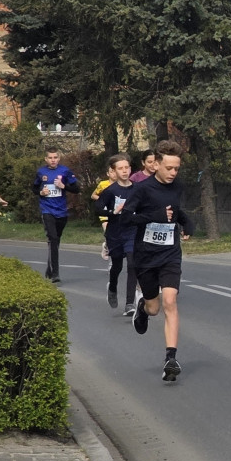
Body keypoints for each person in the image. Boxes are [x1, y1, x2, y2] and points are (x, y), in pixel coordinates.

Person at [122, 140, 194, 382]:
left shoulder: (177, 187)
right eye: (170, 168)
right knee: (154, 308)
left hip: (170, 253)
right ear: (157, 166)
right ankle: (142, 308)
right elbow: (126, 217)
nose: (174, 173)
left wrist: (187, 223)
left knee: (170, 301)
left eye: (177, 168)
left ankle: (170, 359)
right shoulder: (142, 190)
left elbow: (176, 210)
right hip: (146, 256)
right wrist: (154, 216)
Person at [94, 153, 139, 315]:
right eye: (120, 168)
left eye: (127, 167)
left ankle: (129, 303)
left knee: (133, 265)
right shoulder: (110, 191)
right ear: (113, 171)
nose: (125, 171)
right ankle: (112, 287)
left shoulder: (137, 188)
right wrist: (113, 212)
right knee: (117, 266)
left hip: (132, 231)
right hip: (115, 233)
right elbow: (98, 207)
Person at [33, 146, 80, 282]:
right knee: (53, 238)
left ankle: (49, 266)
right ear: (46, 159)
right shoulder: (41, 172)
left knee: (56, 240)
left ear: (59, 158)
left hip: (61, 211)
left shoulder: (65, 171)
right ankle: (55, 273)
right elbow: (34, 188)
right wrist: (41, 192)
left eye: (55, 158)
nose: (53, 160)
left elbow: (76, 189)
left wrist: (63, 186)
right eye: (50, 158)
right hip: (47, 209)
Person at [91, 163, 116, 262]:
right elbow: (93, 196)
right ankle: (107, 247)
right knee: (108, 231)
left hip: (116, 213)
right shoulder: (103, 184)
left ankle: (106, 245)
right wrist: (103, 200)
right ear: (108, 174)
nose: (114, 174)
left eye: (115, 171)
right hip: (105, 212)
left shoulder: (121, 184)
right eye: (111, 172)